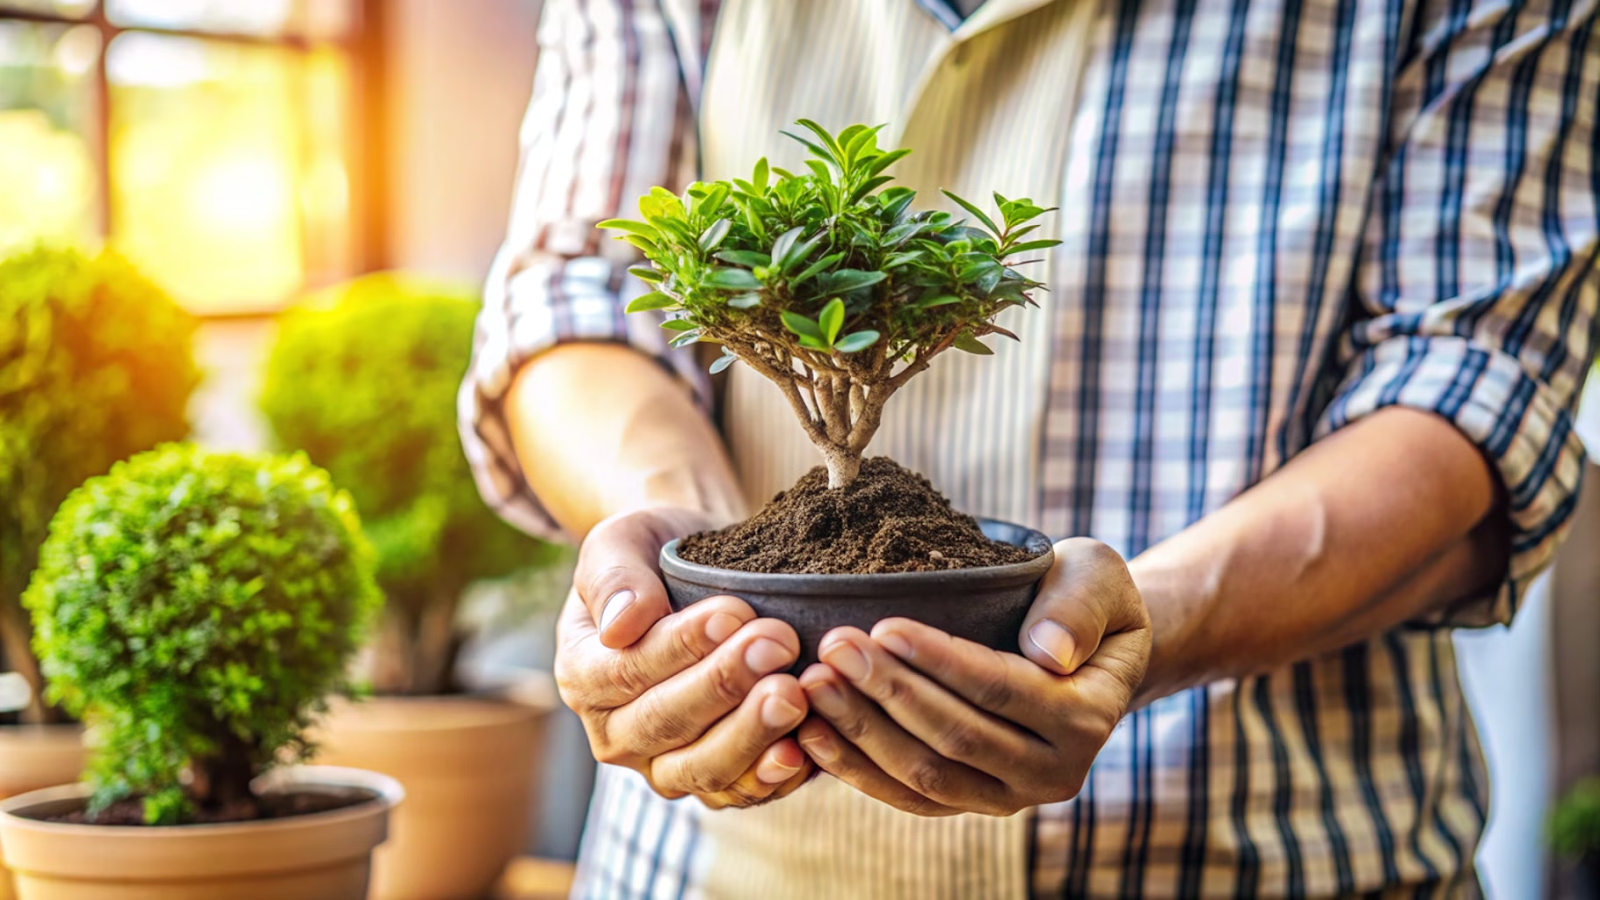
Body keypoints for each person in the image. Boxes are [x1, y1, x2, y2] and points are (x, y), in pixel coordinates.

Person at [460, 0, 1600, 895]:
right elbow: (581, 288)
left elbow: (1471, 376)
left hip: (1269, 856)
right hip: (719, 874)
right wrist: (672, 529)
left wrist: (1141, 624)